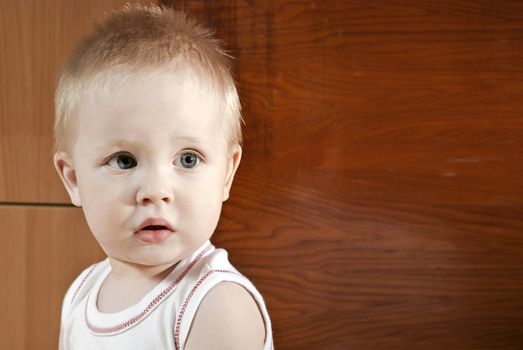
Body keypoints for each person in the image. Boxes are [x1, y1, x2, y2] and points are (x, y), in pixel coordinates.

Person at [52, 4, 273, 349]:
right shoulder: (80, 294)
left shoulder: (215, 306)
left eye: (188, 159)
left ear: (227, 174)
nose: (156, 191)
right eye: (124, 160)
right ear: (74, 179)